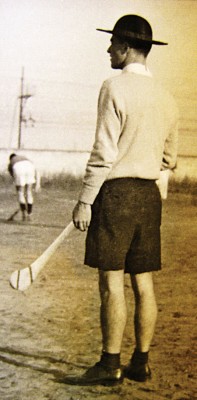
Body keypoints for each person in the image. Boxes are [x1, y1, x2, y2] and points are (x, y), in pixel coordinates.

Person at [70, 15, 179, 386]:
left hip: (115, 196)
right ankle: (141, 362)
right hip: (150, 197)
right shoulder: (167, 98)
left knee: (111, 282)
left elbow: (103, 153)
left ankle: (109, 364)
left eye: (112, 44)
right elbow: (170, 160)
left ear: (126, 47)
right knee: (143, 283)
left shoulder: (113, 86)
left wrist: (85, 200)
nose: (108, 50)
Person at [8, 153, 38, 221]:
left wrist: (18, 188)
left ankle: (24, 214)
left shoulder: (11, 162)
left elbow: (13, 176)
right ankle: (29, 214)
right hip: (30, 167)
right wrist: (38, 184)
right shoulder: (24, 157)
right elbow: (36, 170)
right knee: (29, 192)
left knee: (20, 192)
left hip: (18, 168)